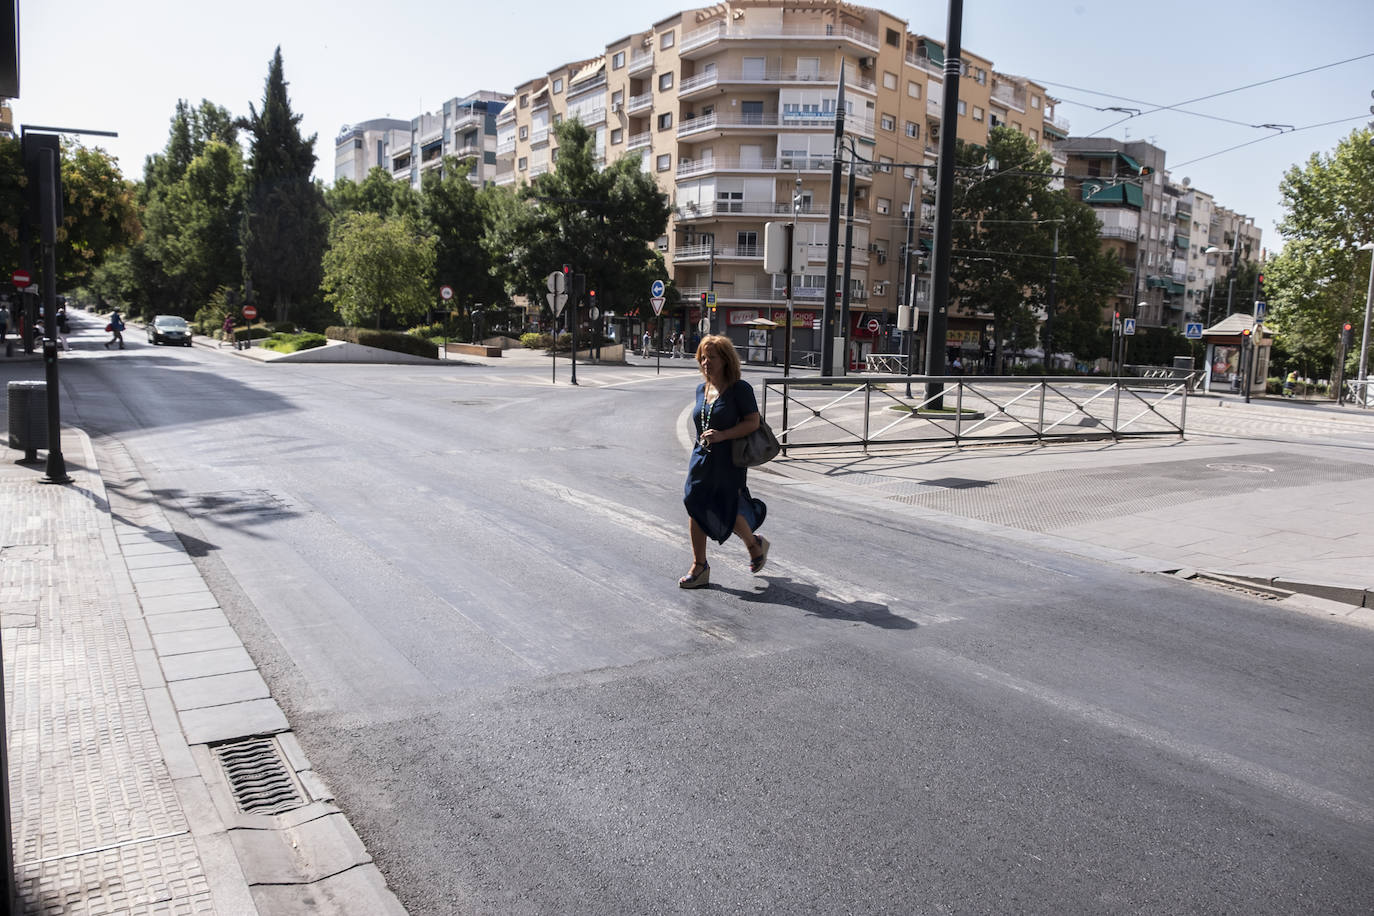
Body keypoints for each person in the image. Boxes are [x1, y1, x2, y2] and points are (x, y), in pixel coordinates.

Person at [680, 334, 769, 589]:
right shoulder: (702, 389)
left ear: (726, 360)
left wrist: (723, 435)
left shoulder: (740, 389)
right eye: (703, 358)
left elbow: (752, 422)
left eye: (712, 357)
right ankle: (701, 565)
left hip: (728, 459)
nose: (706, 362)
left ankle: (753, 545)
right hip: (702, 457)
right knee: (694, 501)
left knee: (726, 506)